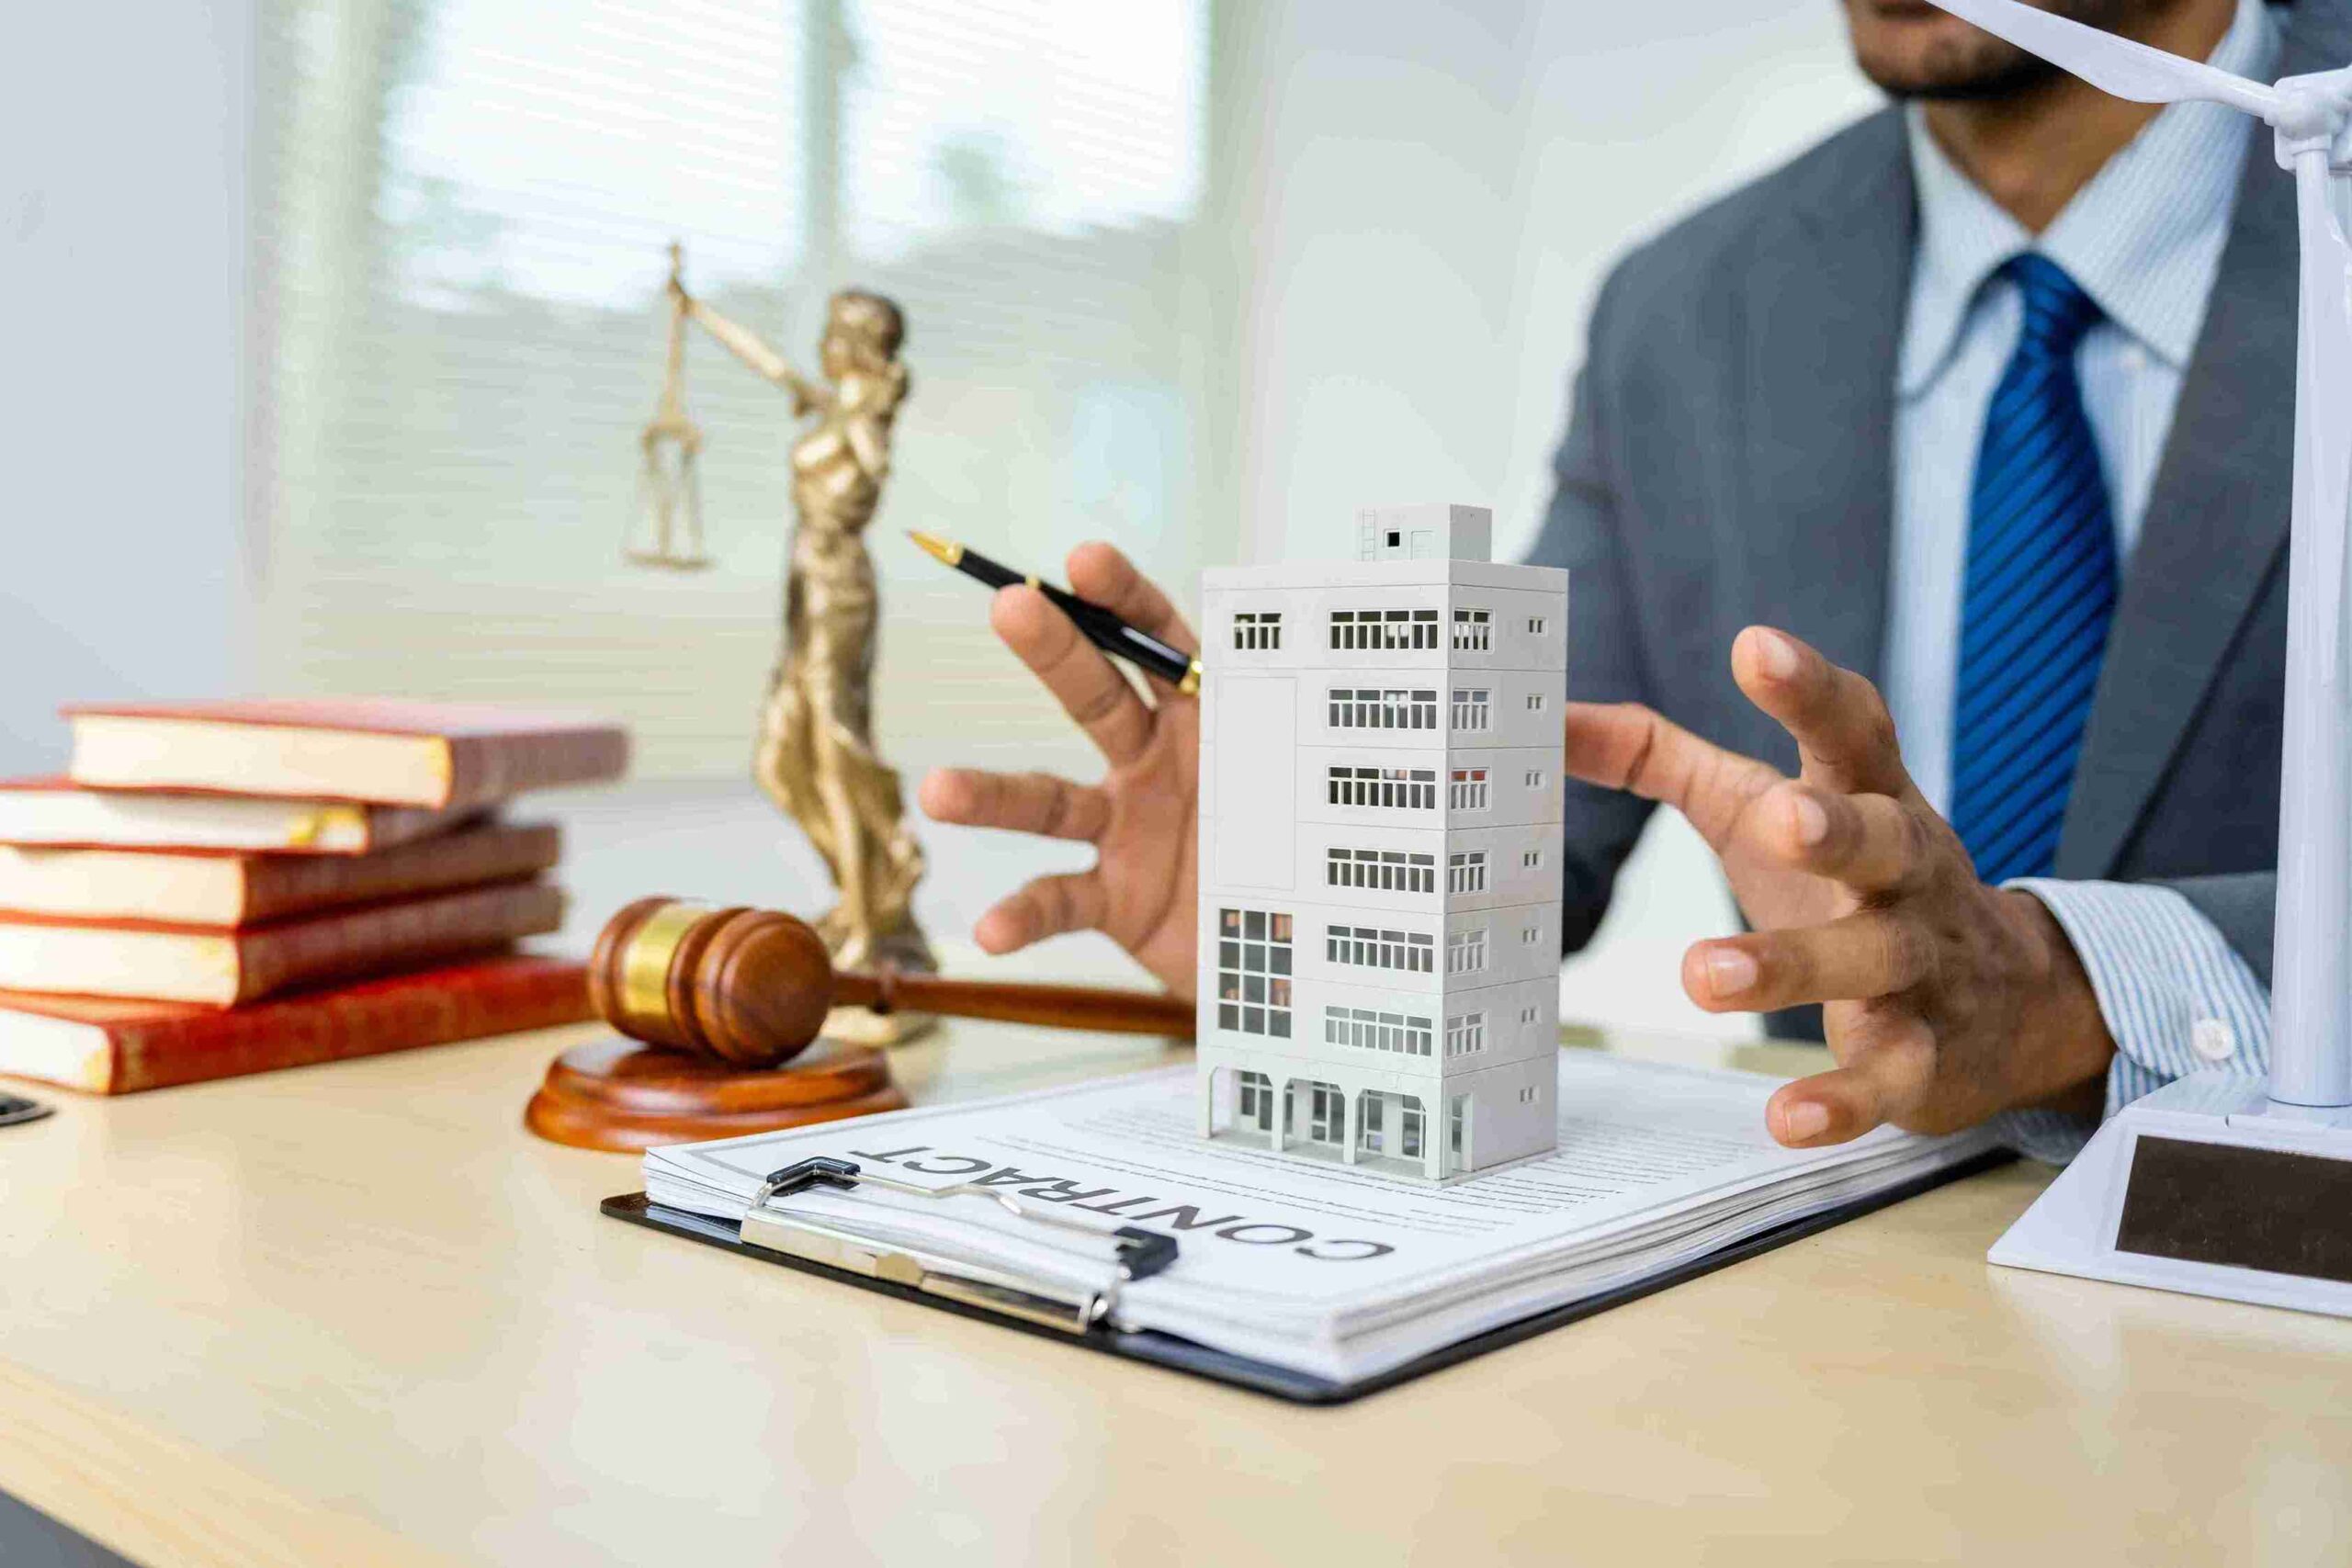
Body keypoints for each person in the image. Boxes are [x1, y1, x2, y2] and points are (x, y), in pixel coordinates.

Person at [921, 0, 2301, 1161]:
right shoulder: (1690, 308)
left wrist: (2080, 988)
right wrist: (1328, 898)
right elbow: (1536, 810)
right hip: (1849, 1287)